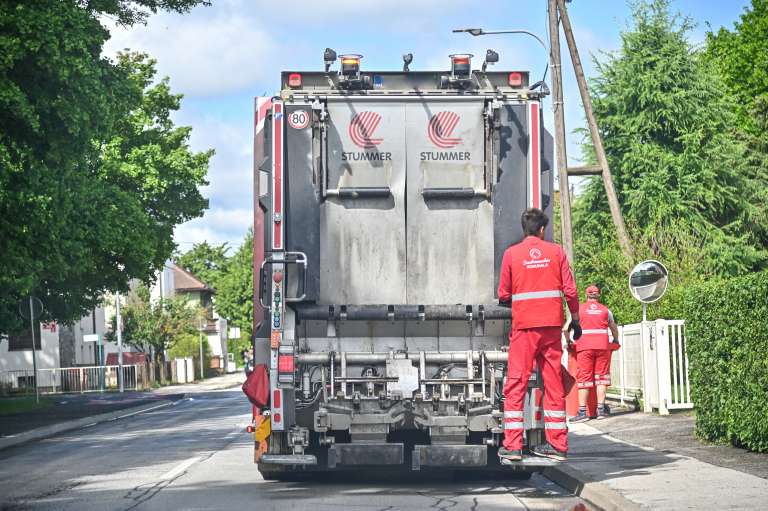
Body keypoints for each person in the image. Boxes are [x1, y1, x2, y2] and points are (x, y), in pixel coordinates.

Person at [497, 208, 581, 462]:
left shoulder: (512, 254)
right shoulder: (556, 252)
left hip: (524, 328)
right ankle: (558, 446)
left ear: (524, 229)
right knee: (553, 382)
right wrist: (575, 320)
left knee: (516, 384)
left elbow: (504, 294)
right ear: (542, 230)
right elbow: (571, 290)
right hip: (551, 327)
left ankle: (513, 446)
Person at [567, 285, 619, 421]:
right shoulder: (606, 310)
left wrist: (568, 342)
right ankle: (601, 410)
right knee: (602, 377)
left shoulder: (578, 309)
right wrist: (616, 339)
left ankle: (583, 412)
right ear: (598, 295)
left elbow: (565, 329)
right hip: (602, 347)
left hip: (584, 347)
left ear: (586, 296)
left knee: (584, 378)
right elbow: (613, 327)